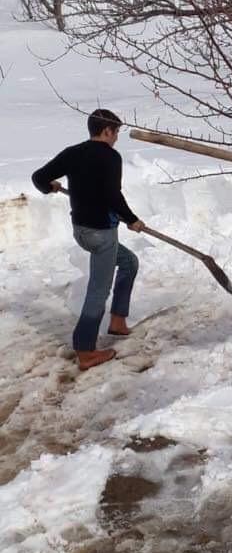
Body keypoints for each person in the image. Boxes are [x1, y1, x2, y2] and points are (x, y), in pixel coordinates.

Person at [32, 108, 145, 371]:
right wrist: (132, 219)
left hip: (81, 231)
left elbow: (39, 177)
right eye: (116, 132)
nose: (116, 138)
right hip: (102, 233)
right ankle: (85, 351)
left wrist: (51, 186)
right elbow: (112, 196)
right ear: (106, 131)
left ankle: (117, 321)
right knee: (98, 290)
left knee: (129, 262)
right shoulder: (110, 157)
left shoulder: (73, 152)